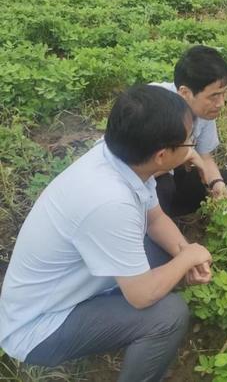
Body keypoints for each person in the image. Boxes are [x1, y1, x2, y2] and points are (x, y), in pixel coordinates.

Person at [0, 85, 213, 382]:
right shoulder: (110, 200)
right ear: (162, 155)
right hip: (38, 327)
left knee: (166, 251)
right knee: (168, 315)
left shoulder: (121, 157)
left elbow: (154, 220)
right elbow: (141, 296)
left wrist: (183, 252)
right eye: (189, 141)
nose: (193, 144)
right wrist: (186, 258)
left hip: (70, 290)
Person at [152, 45, 227, 217]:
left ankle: (172, 213)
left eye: (224, 93)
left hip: (174, 169)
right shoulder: (153, 106)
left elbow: (205, 156)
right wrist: (186, 156)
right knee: (163, 187)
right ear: (185, 92)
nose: (221, 103)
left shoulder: (204, 112)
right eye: (214, 96)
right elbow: (138, 169)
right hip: (148, 176)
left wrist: (216, 183)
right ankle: (155, 224)